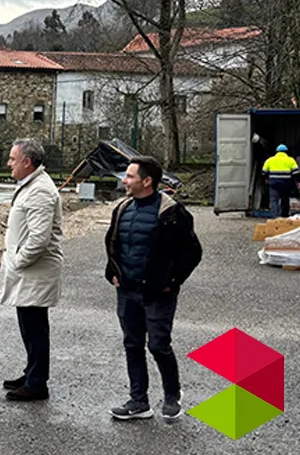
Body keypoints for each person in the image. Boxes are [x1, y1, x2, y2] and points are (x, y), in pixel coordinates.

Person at [106, 156, 202, 421]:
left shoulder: (173, 213)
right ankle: (139, 401)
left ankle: (172, 395)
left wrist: (171, 283)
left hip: (158, 294)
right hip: (127, 291)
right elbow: (114, 244)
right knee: (132, 344)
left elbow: (192, 253)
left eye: (130, 176)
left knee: (158, 345)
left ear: (147, 181)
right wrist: (112, 272)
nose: (124, 181)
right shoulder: (122, 209)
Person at [0, 139, 63, 401]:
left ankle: (37, 383)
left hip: (35, 272)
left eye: (13, 159)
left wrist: (18, 261)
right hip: (29, 272)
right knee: (29, 325)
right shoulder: (31, 184)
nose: (8, 164)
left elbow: (39, 238)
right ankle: (32, 372)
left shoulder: (40, 191)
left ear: (27, 162)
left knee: (35, 328)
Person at [261, 144, 299, 218]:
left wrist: (266, 178)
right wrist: (298, 182)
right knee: (285, 200)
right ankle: (284, 216)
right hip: (286, 184)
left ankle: (274, 217)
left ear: (277, 152)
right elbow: (296, 173)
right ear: (286, 152)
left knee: (274, 201)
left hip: (274, 183)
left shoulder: (270, 160)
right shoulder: (290, 160)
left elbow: (263, 172)